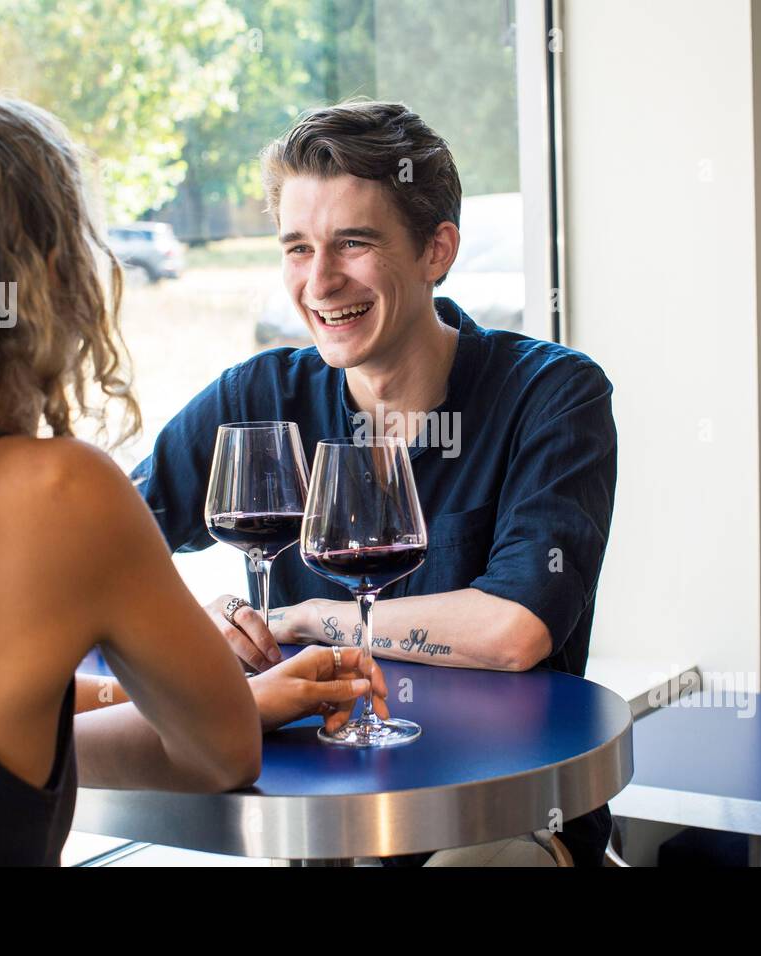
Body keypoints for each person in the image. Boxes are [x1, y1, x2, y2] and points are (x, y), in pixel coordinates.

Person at [0, 96, 387, 866]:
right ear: (53, 279)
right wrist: (234, 704)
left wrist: (123, 699)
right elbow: (220, 755)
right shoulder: (59, 496)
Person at [132, 101, 618, 866]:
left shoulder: (552, 395)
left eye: (352, 243)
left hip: (497, 820)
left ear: (436, 250)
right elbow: (108, 547)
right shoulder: (257, 401)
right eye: (297, 248)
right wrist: (216, 621)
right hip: (314, 822)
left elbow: (514, 632)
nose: (319, 282)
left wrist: (306, 618)